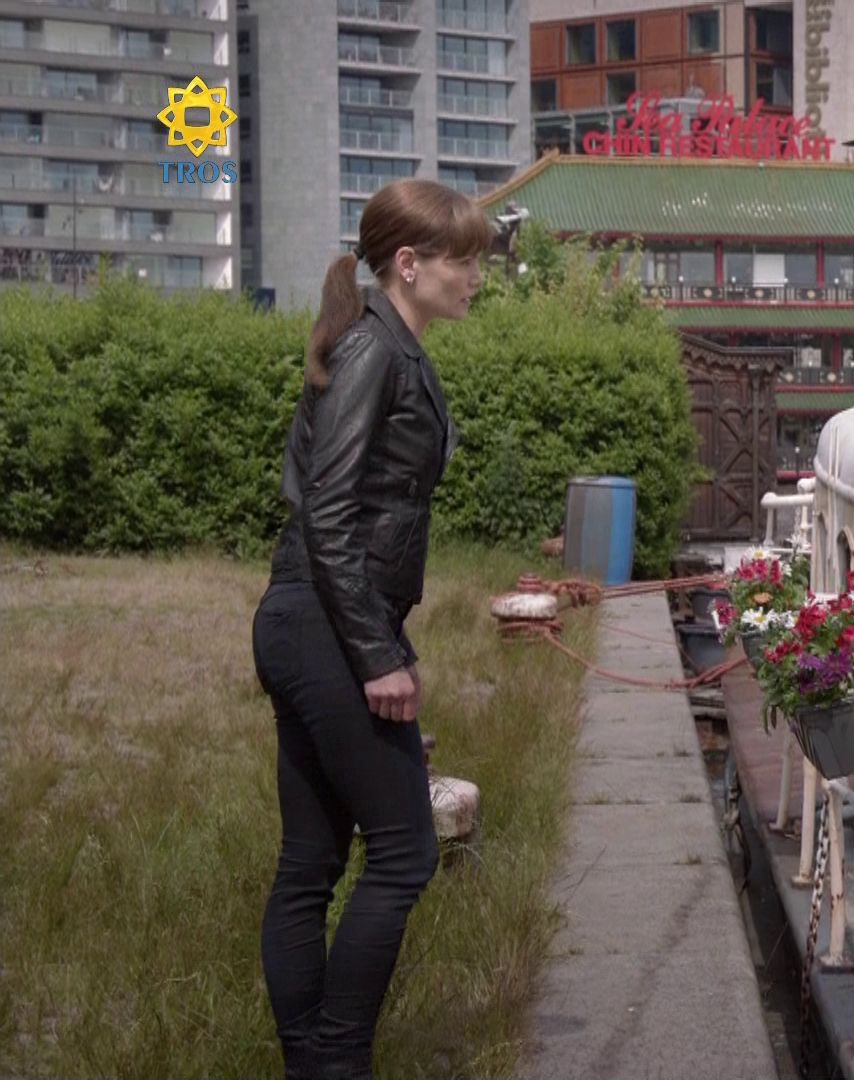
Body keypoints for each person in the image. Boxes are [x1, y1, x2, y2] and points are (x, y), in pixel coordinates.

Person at [250, 179, 490, 1080]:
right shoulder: (372, 351)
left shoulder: (390, 347)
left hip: (317, 622)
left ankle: (313, 1064)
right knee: (403, 853)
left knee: (312, 862)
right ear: (410, 264)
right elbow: (328, 511)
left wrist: (387, 648)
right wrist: (377, 658)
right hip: (323, 622)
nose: (476, 277)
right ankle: (337, 1059)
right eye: (464, 261)